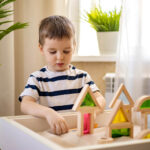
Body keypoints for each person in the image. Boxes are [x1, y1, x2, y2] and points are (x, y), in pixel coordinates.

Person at [19, 15, 105, 135]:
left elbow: (100, 98)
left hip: (78, 133)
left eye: (66, 51)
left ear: (74, 47)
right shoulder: (37, 78)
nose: (60, 57)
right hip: (51, 136)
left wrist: (93, 111)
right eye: (53, 52)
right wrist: (49, 113)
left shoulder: (82, 77)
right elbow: (25, 104)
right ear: (41, 48)